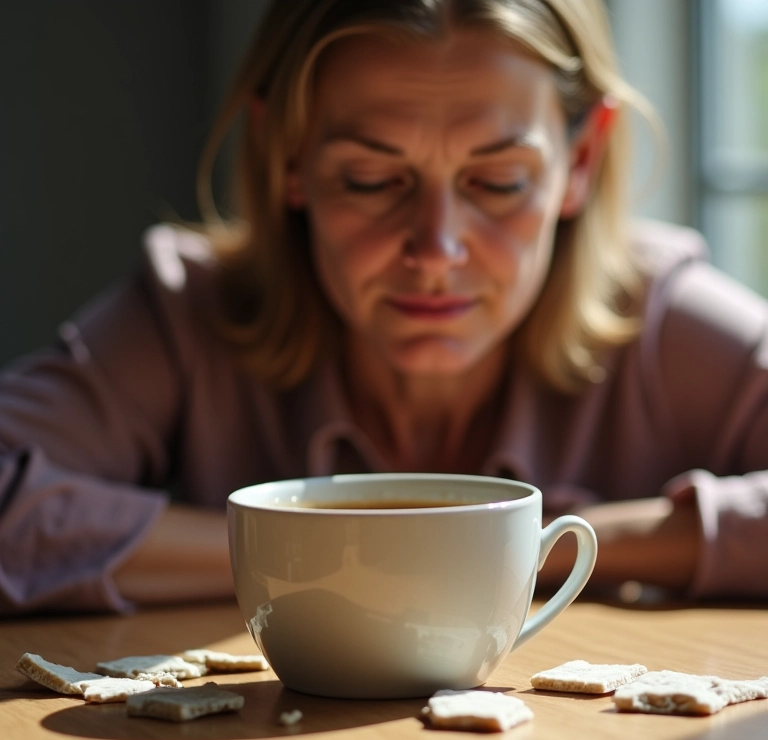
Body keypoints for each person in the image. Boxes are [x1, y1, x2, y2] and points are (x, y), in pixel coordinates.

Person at [1, 0, 766, 616]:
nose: (436, 249)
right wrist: (341, 556)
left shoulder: (662, 322)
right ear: (288, 157)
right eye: (370, 180)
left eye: (499, 182)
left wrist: (556, 545)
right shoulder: (188, 315)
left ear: (582, 161)